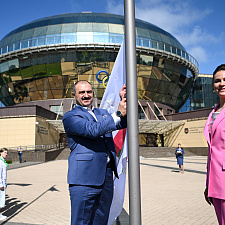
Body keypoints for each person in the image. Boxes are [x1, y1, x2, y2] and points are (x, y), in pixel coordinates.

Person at [63, 80, 127, 225]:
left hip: (106, 177)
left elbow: (123, 122)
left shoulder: (103, 113)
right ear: (74, 95)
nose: (86, 95)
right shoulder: (70, 116)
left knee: (101, 220)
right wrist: (117, 113)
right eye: (82, 92)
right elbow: (93, 130)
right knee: (82, 221)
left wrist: (125, 101)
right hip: (84, 180)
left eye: (89, 92)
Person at [203, 64, 225, 225]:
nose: (221, 83)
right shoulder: (213, 113)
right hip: (215, 183)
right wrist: (208, 185)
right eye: (217, 81)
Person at [0, 148, 8, 221]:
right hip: (0, 185)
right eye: (5, 152)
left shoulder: (3, 161)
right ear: (1, 153)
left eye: (6, 153)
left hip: (3, 183)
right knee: (0, 201)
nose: (6, 154)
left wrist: (5, 183)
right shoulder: (0, 162)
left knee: (1, 201)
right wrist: (1, 185)